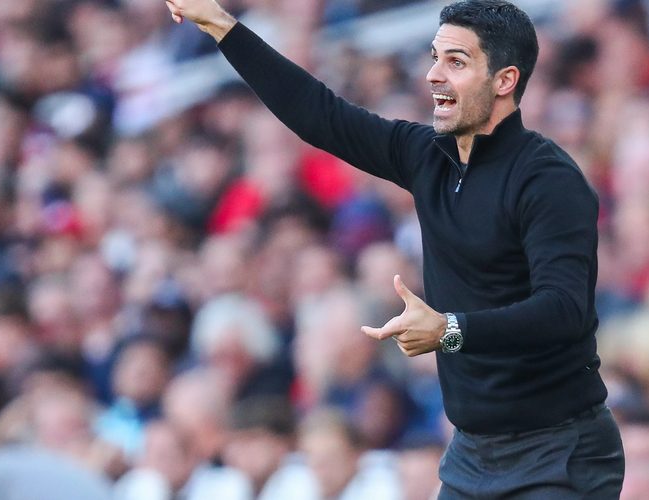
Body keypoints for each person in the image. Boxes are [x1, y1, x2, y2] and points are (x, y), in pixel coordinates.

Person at [163, 0, 625, 497]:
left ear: (505, 80)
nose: (432, 75)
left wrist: (449, 331)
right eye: (434, 57)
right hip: (472, 452)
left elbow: (564, 309)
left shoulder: (547, 179)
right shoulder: (427, 155)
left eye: (456, 62)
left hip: (559, 453)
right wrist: (220, 24)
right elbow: (319, 114)